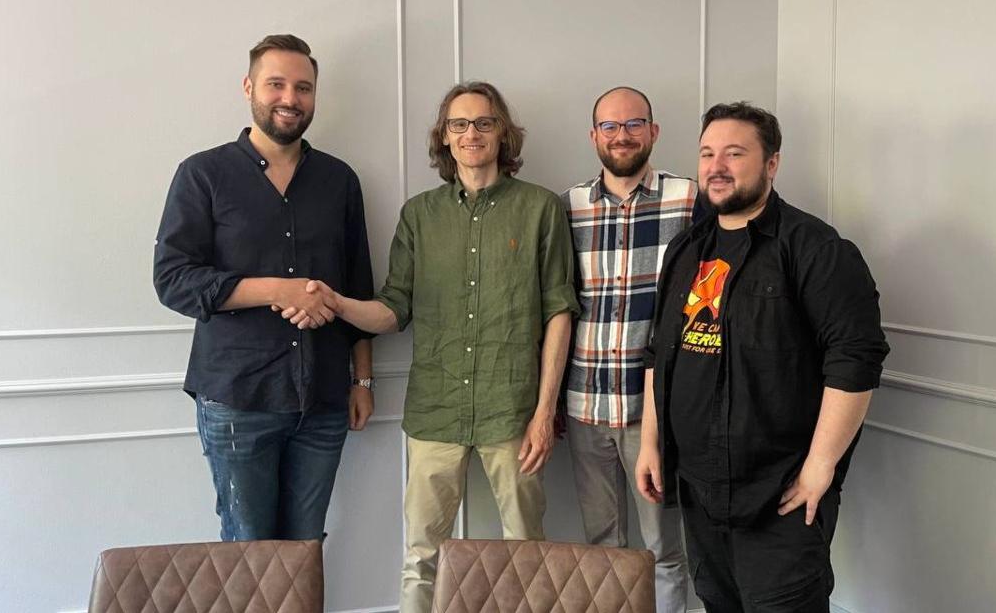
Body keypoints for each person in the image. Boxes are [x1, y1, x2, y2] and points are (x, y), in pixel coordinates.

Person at [286, 81, 579, 613]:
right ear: (445, 137)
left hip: (512, 410)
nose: (471, 134)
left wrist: (544, 412)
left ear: (502, 133)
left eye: (484, 122)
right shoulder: (419, 214)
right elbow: (393, 309)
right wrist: (338, 302)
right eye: (459, 124)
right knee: (421, 555)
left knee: (528, 554)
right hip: (435, 410)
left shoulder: (540, 208)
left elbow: (559, 310)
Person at [635, 102, 890, 612]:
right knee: (718, 603)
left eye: (734, 153)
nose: (716, 166)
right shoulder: (686, 249)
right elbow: (658, 353)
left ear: (772, 163)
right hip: (699, 490)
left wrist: (820, 467)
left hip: (780, 495)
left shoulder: (815, 248)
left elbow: (855, 360)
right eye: (707, 153)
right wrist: (650, 443)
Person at [153, 34, 375, 541]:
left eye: (303, 88)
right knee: (249, 553)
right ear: (249, 87)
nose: (290, 98)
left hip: (323, 398)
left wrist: (362, 381)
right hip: (237, 399)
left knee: (305, 548)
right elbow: (172, 279)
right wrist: (278, 290)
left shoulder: (339, 180)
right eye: (276, 84)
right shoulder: (203, 174)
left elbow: (359, 285)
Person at [560, 86, 693, 613]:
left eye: (634, 124)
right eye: (610, 126)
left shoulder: (689, 198)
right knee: (602, 546)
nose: (622, 135)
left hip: (655, 412)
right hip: (586, 405)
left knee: (664, 549)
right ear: (594, 135)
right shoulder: (569, 206)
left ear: (653, 131)